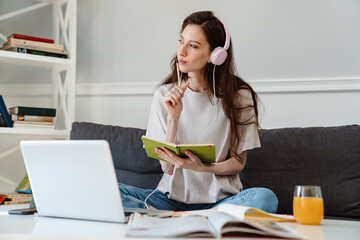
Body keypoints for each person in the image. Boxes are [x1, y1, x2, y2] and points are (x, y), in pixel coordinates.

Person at [118, 11, 278, 213]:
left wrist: (203, 167)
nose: (181, 51)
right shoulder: (163, 95)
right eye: (181, 41)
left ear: (215, 56)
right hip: (169, 200)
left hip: (220, 202)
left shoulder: (240, 97)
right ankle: (195, 218)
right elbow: (166, 168)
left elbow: (239, 162)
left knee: (265, 198)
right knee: (109, 191)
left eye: (193, 46)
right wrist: (173, 119)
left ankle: (187, 217)